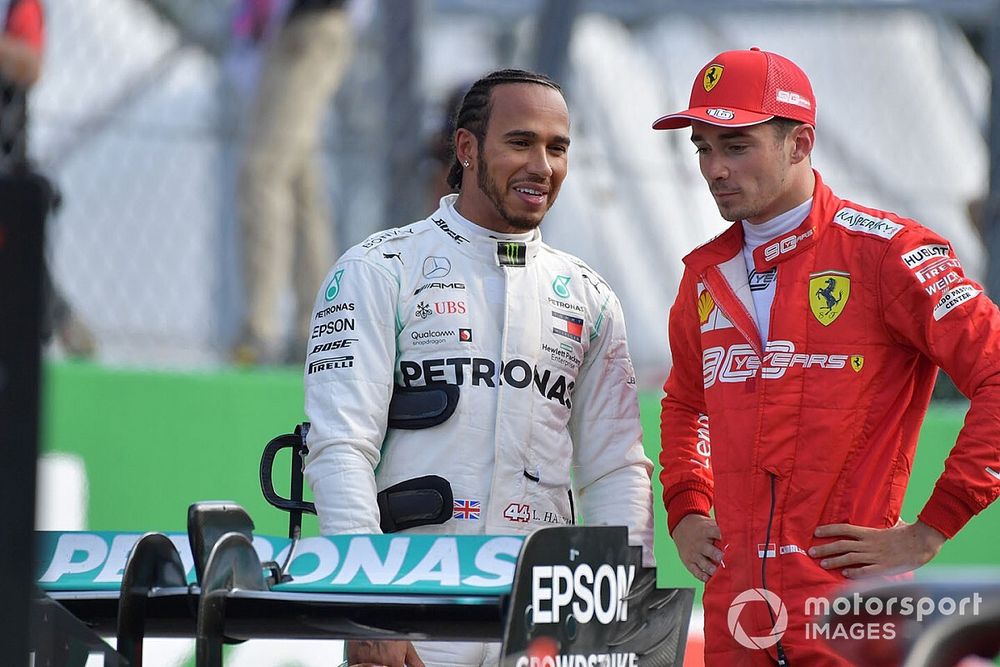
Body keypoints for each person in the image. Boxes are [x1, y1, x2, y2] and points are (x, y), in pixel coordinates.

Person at [654, 48, 1000, 665]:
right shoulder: (703, 275)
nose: (714, 169)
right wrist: (685, 506)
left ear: (799, 142)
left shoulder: (891, 253)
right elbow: (685, 402)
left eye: (736, 146)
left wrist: (931, 529)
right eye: (703, 147)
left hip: (850, 607)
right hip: (737, 608)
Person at [304, 68, 655, 667]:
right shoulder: (377, 268)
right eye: (520, 142)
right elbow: (339, 447)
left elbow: (616, 471)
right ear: (466, 149)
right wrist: (362, 606)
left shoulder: (591, 297)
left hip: (549, 619)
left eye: (558, 147)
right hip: (409, 604)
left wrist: (619, 619)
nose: (541, 166)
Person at [232, 0, 353, 365]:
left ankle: (261, 327)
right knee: (299, 182)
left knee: (263, 174)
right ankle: (319, 325)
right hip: (295, 27)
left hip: (311, 25)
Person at [0, 0, 95, 357]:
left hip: (6, 151)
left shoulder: (20, 6)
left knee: (17, 263)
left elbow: (30, 64)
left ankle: (59, 318)